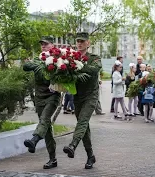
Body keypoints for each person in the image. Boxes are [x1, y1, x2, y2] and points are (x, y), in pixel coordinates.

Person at [63, 32, 102, 169]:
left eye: (82, 41)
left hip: (91, 96)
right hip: (77, 96)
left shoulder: (94, 58)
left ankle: (73, 145)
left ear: (88, 43)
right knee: (84, 127)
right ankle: (90, 155)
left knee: (82, 121)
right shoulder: (70, 58)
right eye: (78, 41)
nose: (79, 43)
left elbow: (95, 69)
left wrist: (79, 65)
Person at [23, 36, 61, 169]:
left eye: (46, 44)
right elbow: (26, 66)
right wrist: (40, 63)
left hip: (52, 96)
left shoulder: (59, 59)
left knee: (44, 120)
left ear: (52, 45)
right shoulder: (38, 58)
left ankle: (34, 140)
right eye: (41, 44)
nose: (43, 46)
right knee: (46, 128)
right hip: (39, 98)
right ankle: (53, 159)